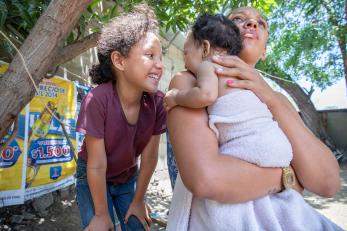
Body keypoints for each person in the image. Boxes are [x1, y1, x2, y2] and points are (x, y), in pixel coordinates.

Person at [165, 7, 341, 230]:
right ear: (214, 39)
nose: (251, 24)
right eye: (238, 19)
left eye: (261, 23)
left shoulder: (279, 99)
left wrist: (270, 98)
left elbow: (327, 183)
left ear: (265, 51)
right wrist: (285, 177)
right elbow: (207, 178)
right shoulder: (189, 81)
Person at [75, 4, 166, 231]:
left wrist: (138, 200)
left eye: (161, 57)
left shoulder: (156, 103)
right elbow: (96, 165)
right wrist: (102, 214)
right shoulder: (98, 100)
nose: (159, 65)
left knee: (137, 226)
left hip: (126, 178)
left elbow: (150, 158)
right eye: (149, 55)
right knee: (100, 225)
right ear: (120, 61)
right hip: (93, 175)